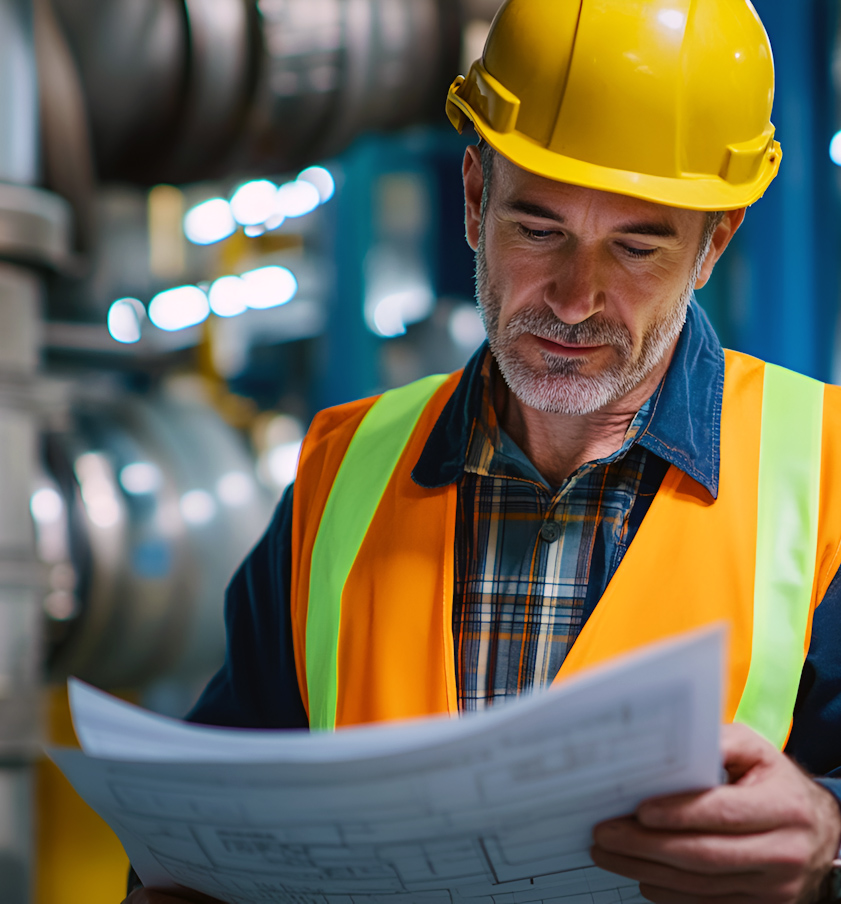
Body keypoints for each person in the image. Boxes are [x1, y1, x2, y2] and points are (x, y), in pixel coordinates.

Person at [124, 0, 841, 902]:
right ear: (473, 200)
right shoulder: (342, 471)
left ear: (713, 245)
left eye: (635, 247)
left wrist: (829, 842)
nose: (576, 299)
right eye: (538, 231)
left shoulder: (827, 476)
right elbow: (230, 787)